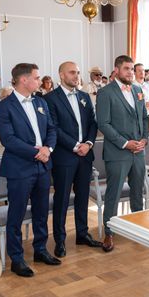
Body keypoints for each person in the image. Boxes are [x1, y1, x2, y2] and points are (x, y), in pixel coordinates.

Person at [0, 63, 60, 277]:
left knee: (42, 211)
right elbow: (8, 139)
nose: (39, 81)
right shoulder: (4, 106)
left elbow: (51, 129)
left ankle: (40, 249)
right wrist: (36, 152)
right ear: (24, 80)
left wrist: (48, 149)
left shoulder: (41, 102)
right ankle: (17, 257)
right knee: (17, 213)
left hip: (43, 165)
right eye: (36, 77)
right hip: (20, 168)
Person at [45, 62, 101, 258]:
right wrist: (75, 146)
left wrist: (88, 143)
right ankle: (60, 240)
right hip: (64, 156)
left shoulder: (84, 97)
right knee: (61, 199)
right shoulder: (50, 98)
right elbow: (53, 127)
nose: (76, 76)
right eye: (72, 73)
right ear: (61, 75)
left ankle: (82, 233)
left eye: (77, 73)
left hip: (85, 156)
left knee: (83, 196)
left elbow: (93, 124)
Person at [96, 55, 149, 253]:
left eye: (132, 69)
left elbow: (144, 117)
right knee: (114, 193)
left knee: (138, 191)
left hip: (139, 151)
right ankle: (109, 232)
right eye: (126, 69)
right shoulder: (105, 93)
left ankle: (138, 227)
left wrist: (144, 139)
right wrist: (125, 143)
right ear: (117, 70)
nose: (130, 72)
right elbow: (103, 124)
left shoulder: (138, 90)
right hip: (118, 152)